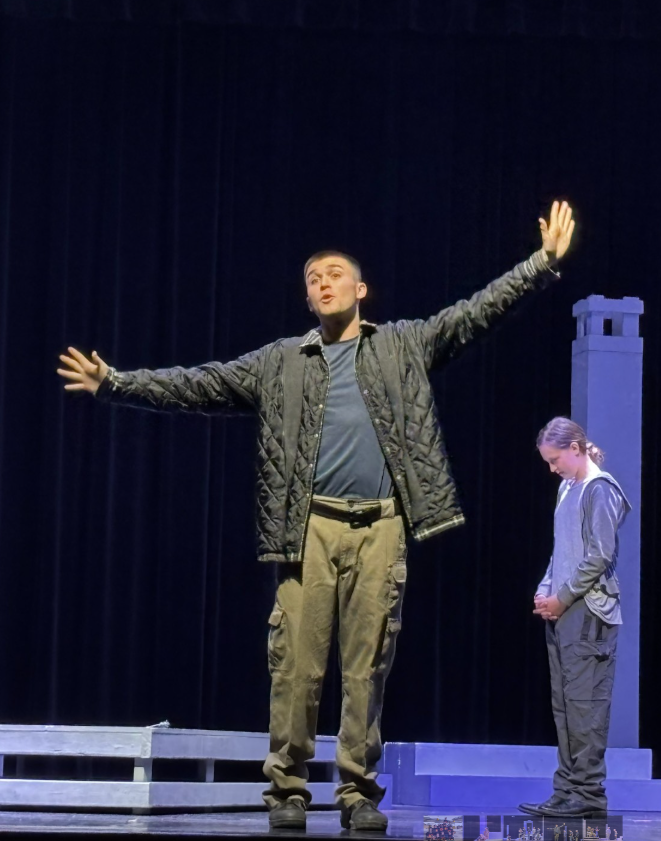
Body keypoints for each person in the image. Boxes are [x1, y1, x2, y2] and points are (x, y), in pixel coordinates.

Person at [57, 202, 576, 832]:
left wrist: (541, 264)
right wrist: (115, 382)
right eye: (312, 279)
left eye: (333, 274)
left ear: (361, 290)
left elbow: (476, 313)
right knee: (296, 666)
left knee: (367, 664)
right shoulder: (280, 362)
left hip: (382, 525)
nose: (322, 282)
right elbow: (197, 385)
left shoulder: (404, 345)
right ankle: (288, 792)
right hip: (308, 529)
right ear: (308, 299)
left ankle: (357, 792)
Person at [519, 418, 631, 819]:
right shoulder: (567, 488)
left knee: (586, 706)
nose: (552, 468)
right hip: (565, 609)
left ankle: (587, 793)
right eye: (548, 462)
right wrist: (546, 588)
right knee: (564, 706)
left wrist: (562, 598)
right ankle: (566, 789)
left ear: (577, 448)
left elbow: (599, 556)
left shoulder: (600, 489)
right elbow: (561, 550)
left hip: (588, 611)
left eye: (555, 459)